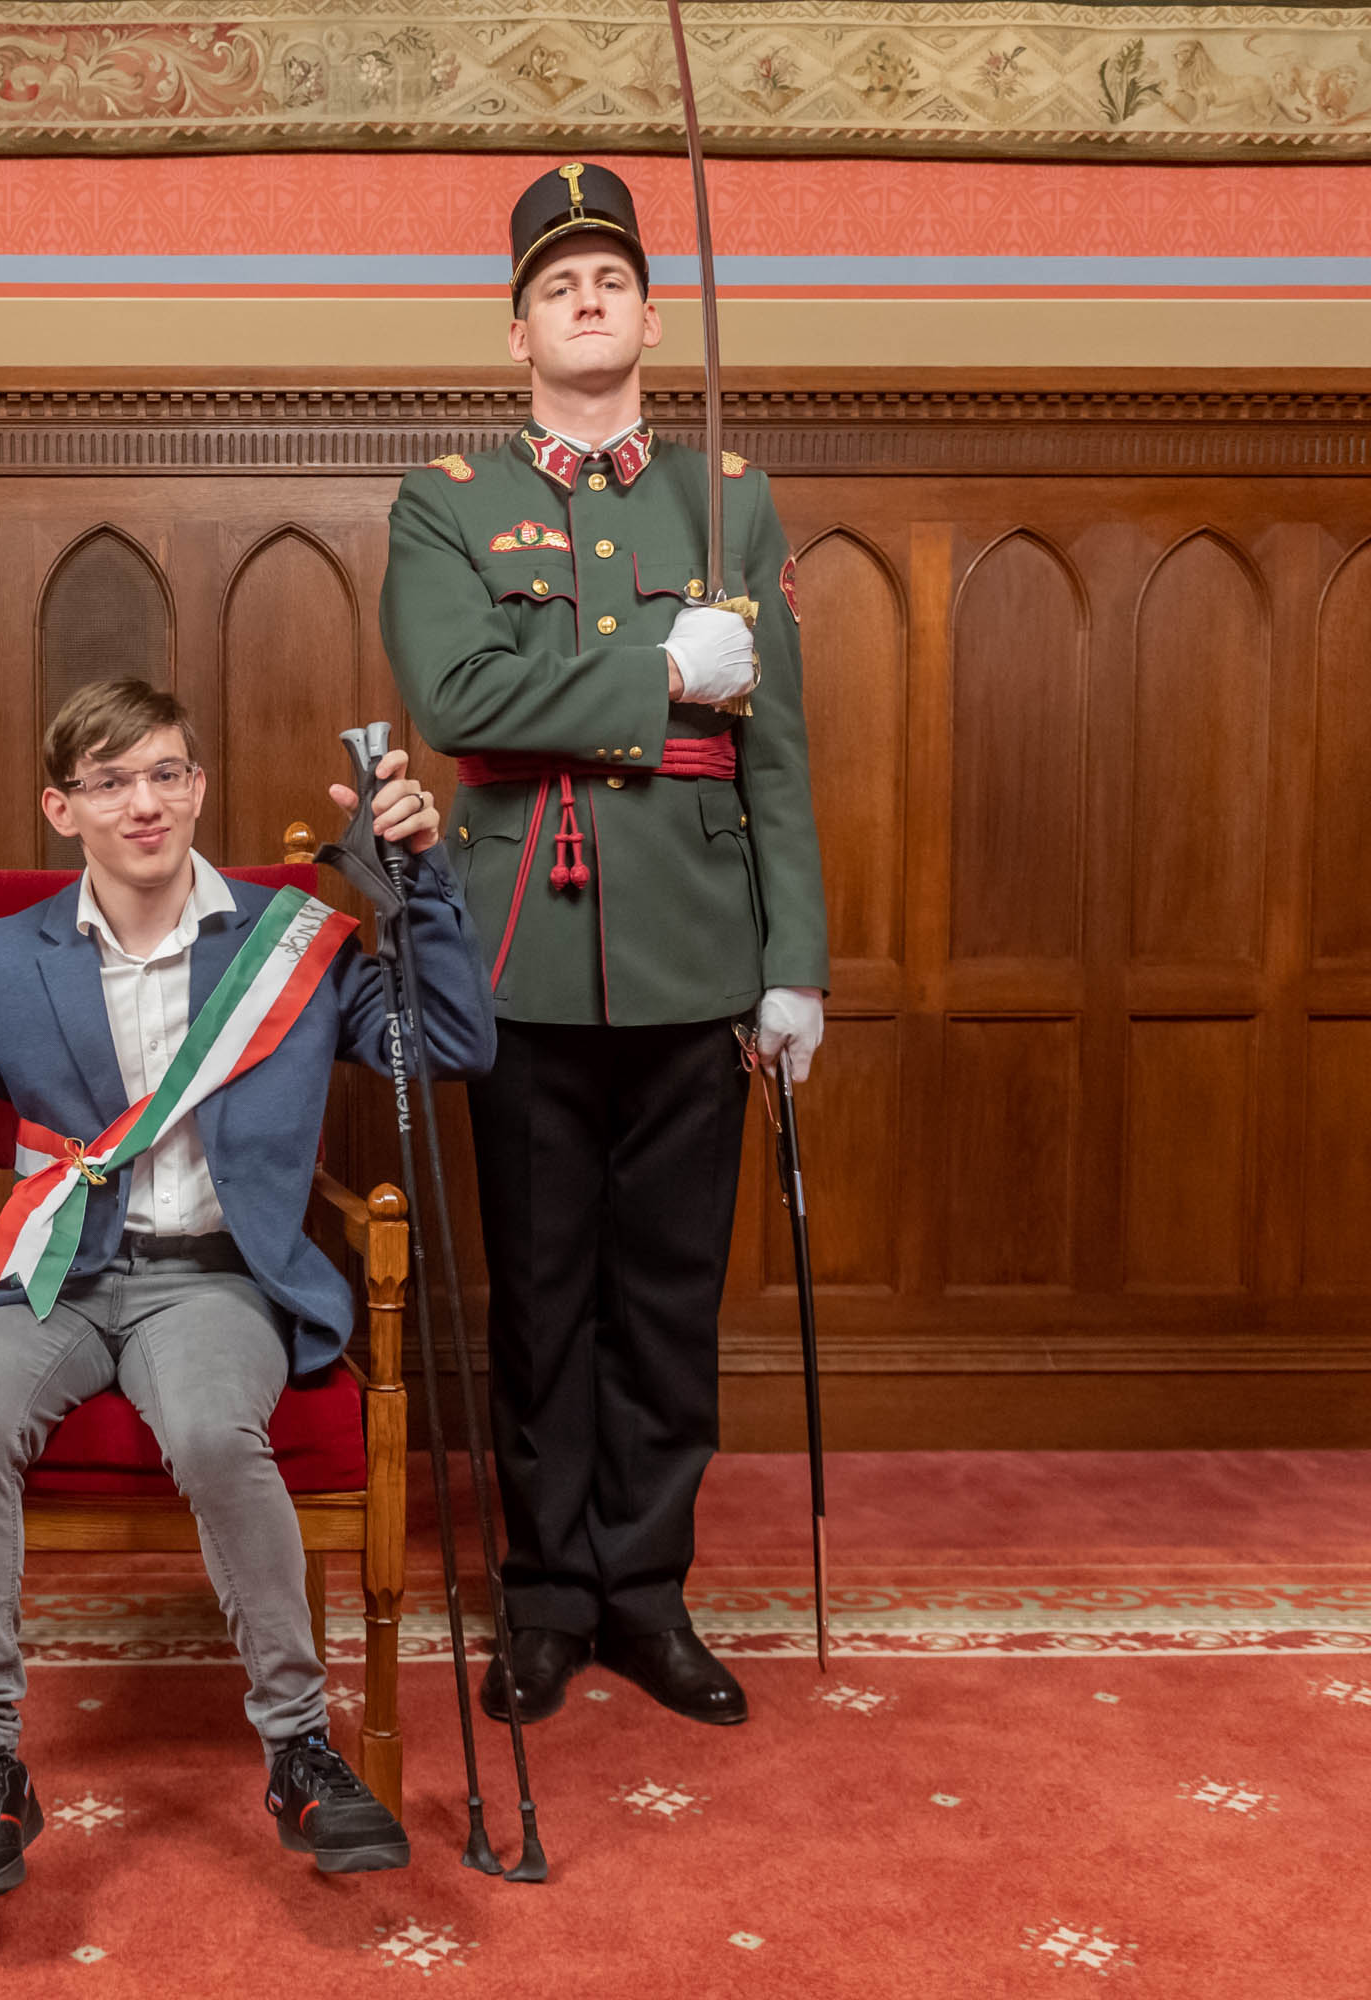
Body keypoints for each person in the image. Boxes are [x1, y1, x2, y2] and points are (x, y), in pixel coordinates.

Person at [0, 680, 493, 1914]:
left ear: (198, 787)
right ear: (63, 807)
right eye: (112, 780)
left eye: (167, 773)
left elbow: (447, 1042)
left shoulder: (292, 942)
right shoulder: (2, 957)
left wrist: (424, 878)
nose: (145, 802)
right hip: (53, 1275)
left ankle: (299, 1746)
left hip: (217, 1279)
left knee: (211, 1428)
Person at [378, 161, 830, 1730]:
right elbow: (460, 703)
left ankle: (647, 1594)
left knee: (669, 1298)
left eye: (612, 281)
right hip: (525, 952)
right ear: (517, 332)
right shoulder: (445, 502)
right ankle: (546, 1600)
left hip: (699, 946)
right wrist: (663, 670)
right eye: (558, 286)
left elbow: (778, 751)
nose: (587, 302)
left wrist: (795, 961)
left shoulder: (731, 500)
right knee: (542, 1295)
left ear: (649, 316)